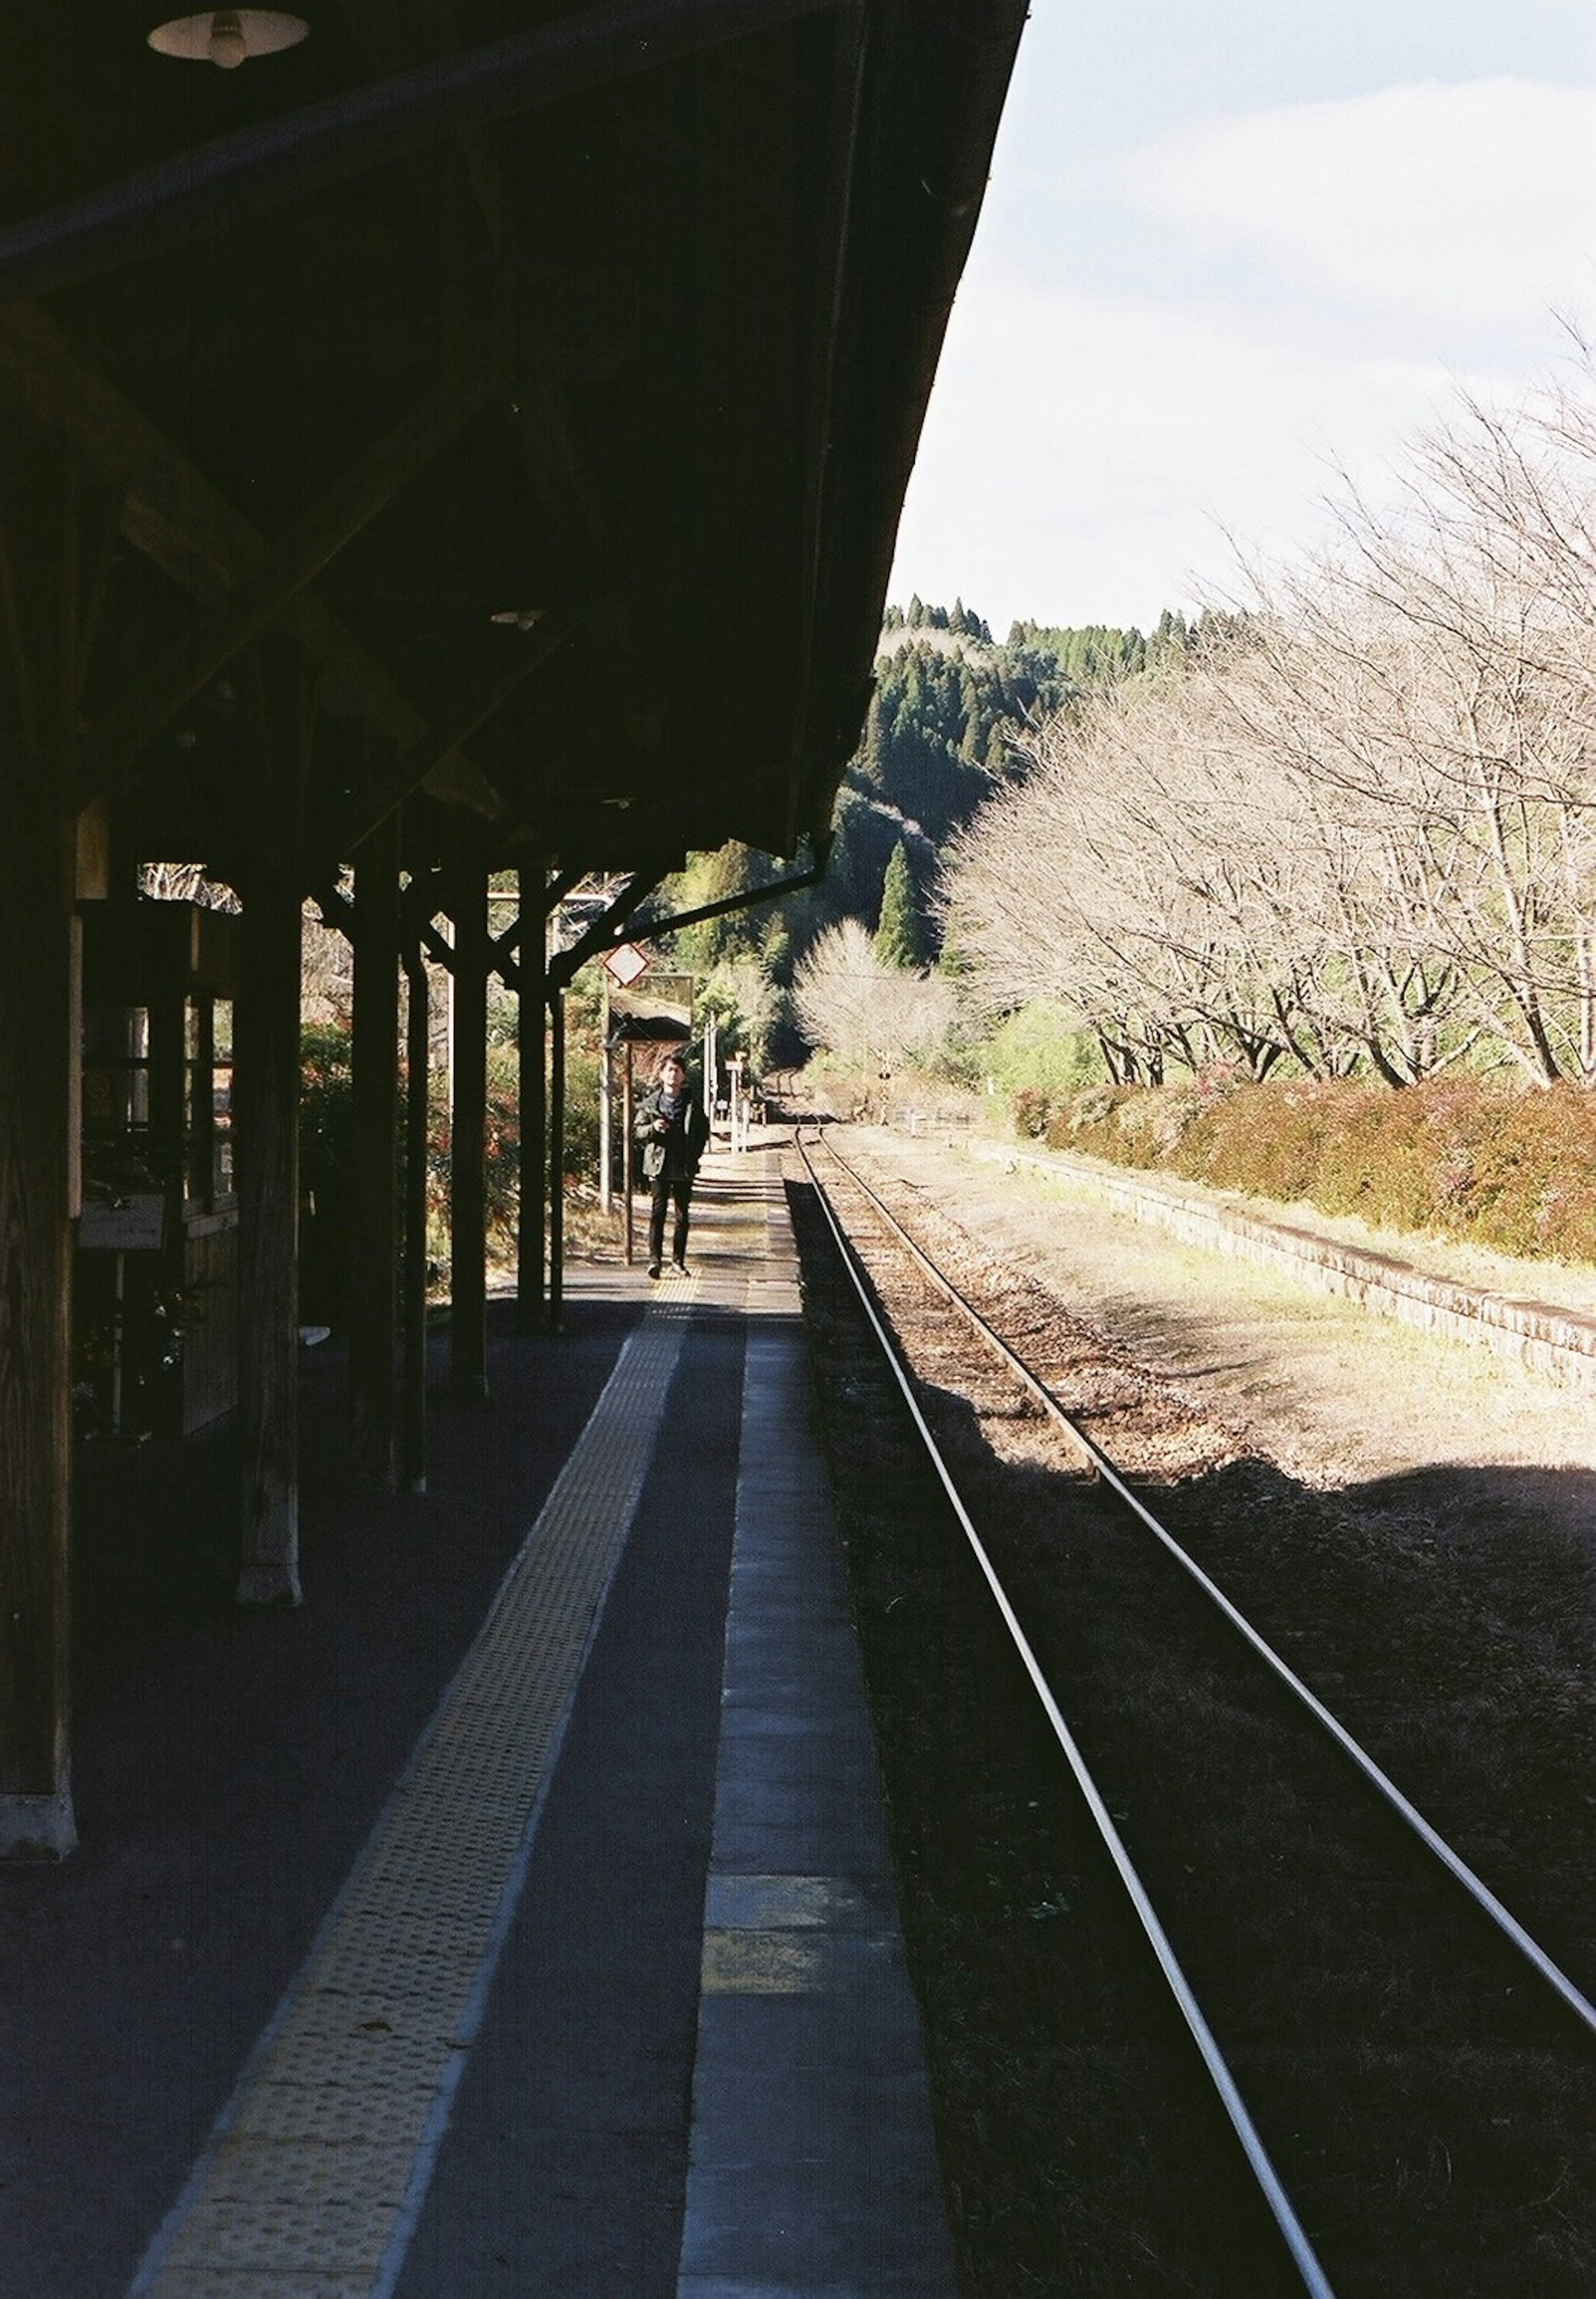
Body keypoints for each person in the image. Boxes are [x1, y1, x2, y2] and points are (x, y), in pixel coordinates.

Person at [635, 1049, 709, 1277]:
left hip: (684, 1166)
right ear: (661, 1074)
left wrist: (694, 1156)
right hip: (659, 1165)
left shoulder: (692, 1105)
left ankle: (678, 1262)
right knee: (658, 1213)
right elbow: (637, 1131)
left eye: (677, 1071)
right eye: (669, 1070)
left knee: (682, 1216)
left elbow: (702, 1132)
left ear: (683, 1076)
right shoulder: (651, 1104)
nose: (673, 1075)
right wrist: (652, 1129)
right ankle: (654, 1261)